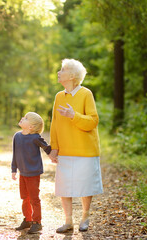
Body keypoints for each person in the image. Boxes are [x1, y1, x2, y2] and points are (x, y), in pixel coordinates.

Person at [48, 58, 103, 233]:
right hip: (65, 150)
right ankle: (68, 221)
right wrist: (54, 147)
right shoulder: (58, 96)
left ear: (72, 75)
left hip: (86, 150)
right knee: (65, 186)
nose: (58, 72)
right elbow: (54, 124)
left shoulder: (86, 94)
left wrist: (74, 115)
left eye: (62, 70)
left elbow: (93, 121)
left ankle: (85, 217)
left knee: (85, 185)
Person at [11, 112, 52, 234]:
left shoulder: (35, 137)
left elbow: (47, 148)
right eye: (23, 117)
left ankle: (37, 222)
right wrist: (13, 169)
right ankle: (27, 220)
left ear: (31, 127)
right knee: (24, 198)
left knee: (34, 198)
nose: (22, 118)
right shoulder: (17, 136)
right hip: (22, 173)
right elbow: (15, 154)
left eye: (26, 118)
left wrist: (54, 156)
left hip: (34, 173)